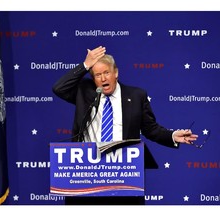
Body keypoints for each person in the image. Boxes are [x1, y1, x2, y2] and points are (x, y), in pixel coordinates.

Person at [52, 46, 198, 205]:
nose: (103, 78)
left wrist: (171, 135)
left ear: (116, 73)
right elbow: (59, 88)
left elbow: (150, 129)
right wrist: (85, 65)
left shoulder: (136, 96)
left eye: (106, 73)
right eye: (98, 75)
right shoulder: (85, 92)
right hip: (87, 174)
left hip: (123, 175)